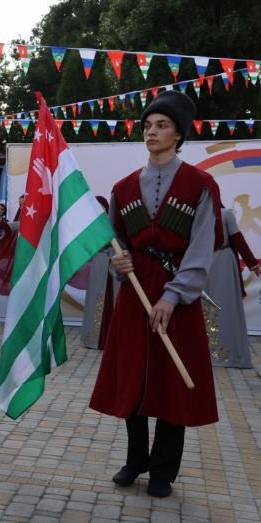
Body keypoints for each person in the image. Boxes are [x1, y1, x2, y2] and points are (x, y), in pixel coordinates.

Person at [89, 90, 223, 498]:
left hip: (175, 297)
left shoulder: (200, 184)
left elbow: (202, 247)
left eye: (161, 125)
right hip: (134, 295)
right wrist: (119, 260)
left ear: (179, 134)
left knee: (172, 382)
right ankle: (135, 460)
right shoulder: (123, 187)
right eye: (147, 126)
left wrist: (174, 295)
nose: (152, 132)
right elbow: (111, 241)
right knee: (132, 375)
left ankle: (163, 471)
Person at [203, 207, 261, 368]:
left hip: (223, 262)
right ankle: (206, 351)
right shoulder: (197, 213)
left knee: (225, 307)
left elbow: (238, 240)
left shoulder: (226, 214)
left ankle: (228, 352)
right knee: (204, 307)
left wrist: (252, 263)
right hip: (203, 263)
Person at [80, 196, 119, 350]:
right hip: (100, 261)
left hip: (114, 261)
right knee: (97, 296)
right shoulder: (90, 225)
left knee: (115, 296)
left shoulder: (113, 222)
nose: (99, 208)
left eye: (101, 205)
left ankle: (116, 337)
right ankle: (96, 338)